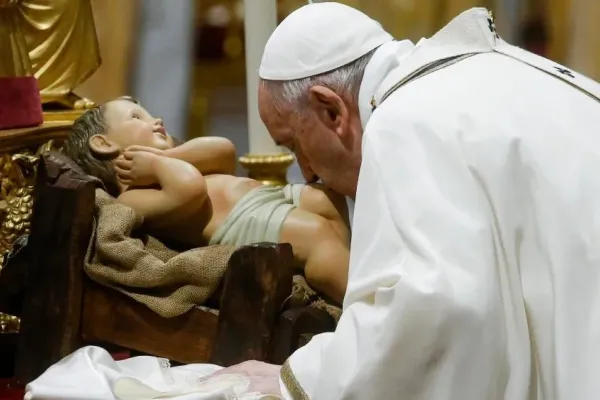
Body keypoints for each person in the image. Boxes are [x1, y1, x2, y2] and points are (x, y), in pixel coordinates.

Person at [212, 3, 600, 399]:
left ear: (331, 109)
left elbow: (436, 311)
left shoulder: (404, 122)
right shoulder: (501, 75)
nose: (307, 172)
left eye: (295, 144)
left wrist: (302, 380)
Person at [63, 96, 351, 304]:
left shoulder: (171, 160)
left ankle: (352, 280)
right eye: (136, 117)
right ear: (104, 143)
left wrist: (163, 157)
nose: (156, 120)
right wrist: (156, 167)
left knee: (328, 198)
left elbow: (223, 150)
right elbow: (190, 190)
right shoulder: (132, 198)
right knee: (317, 237)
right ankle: (364, 304)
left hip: (268, 197)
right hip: (245, 223)